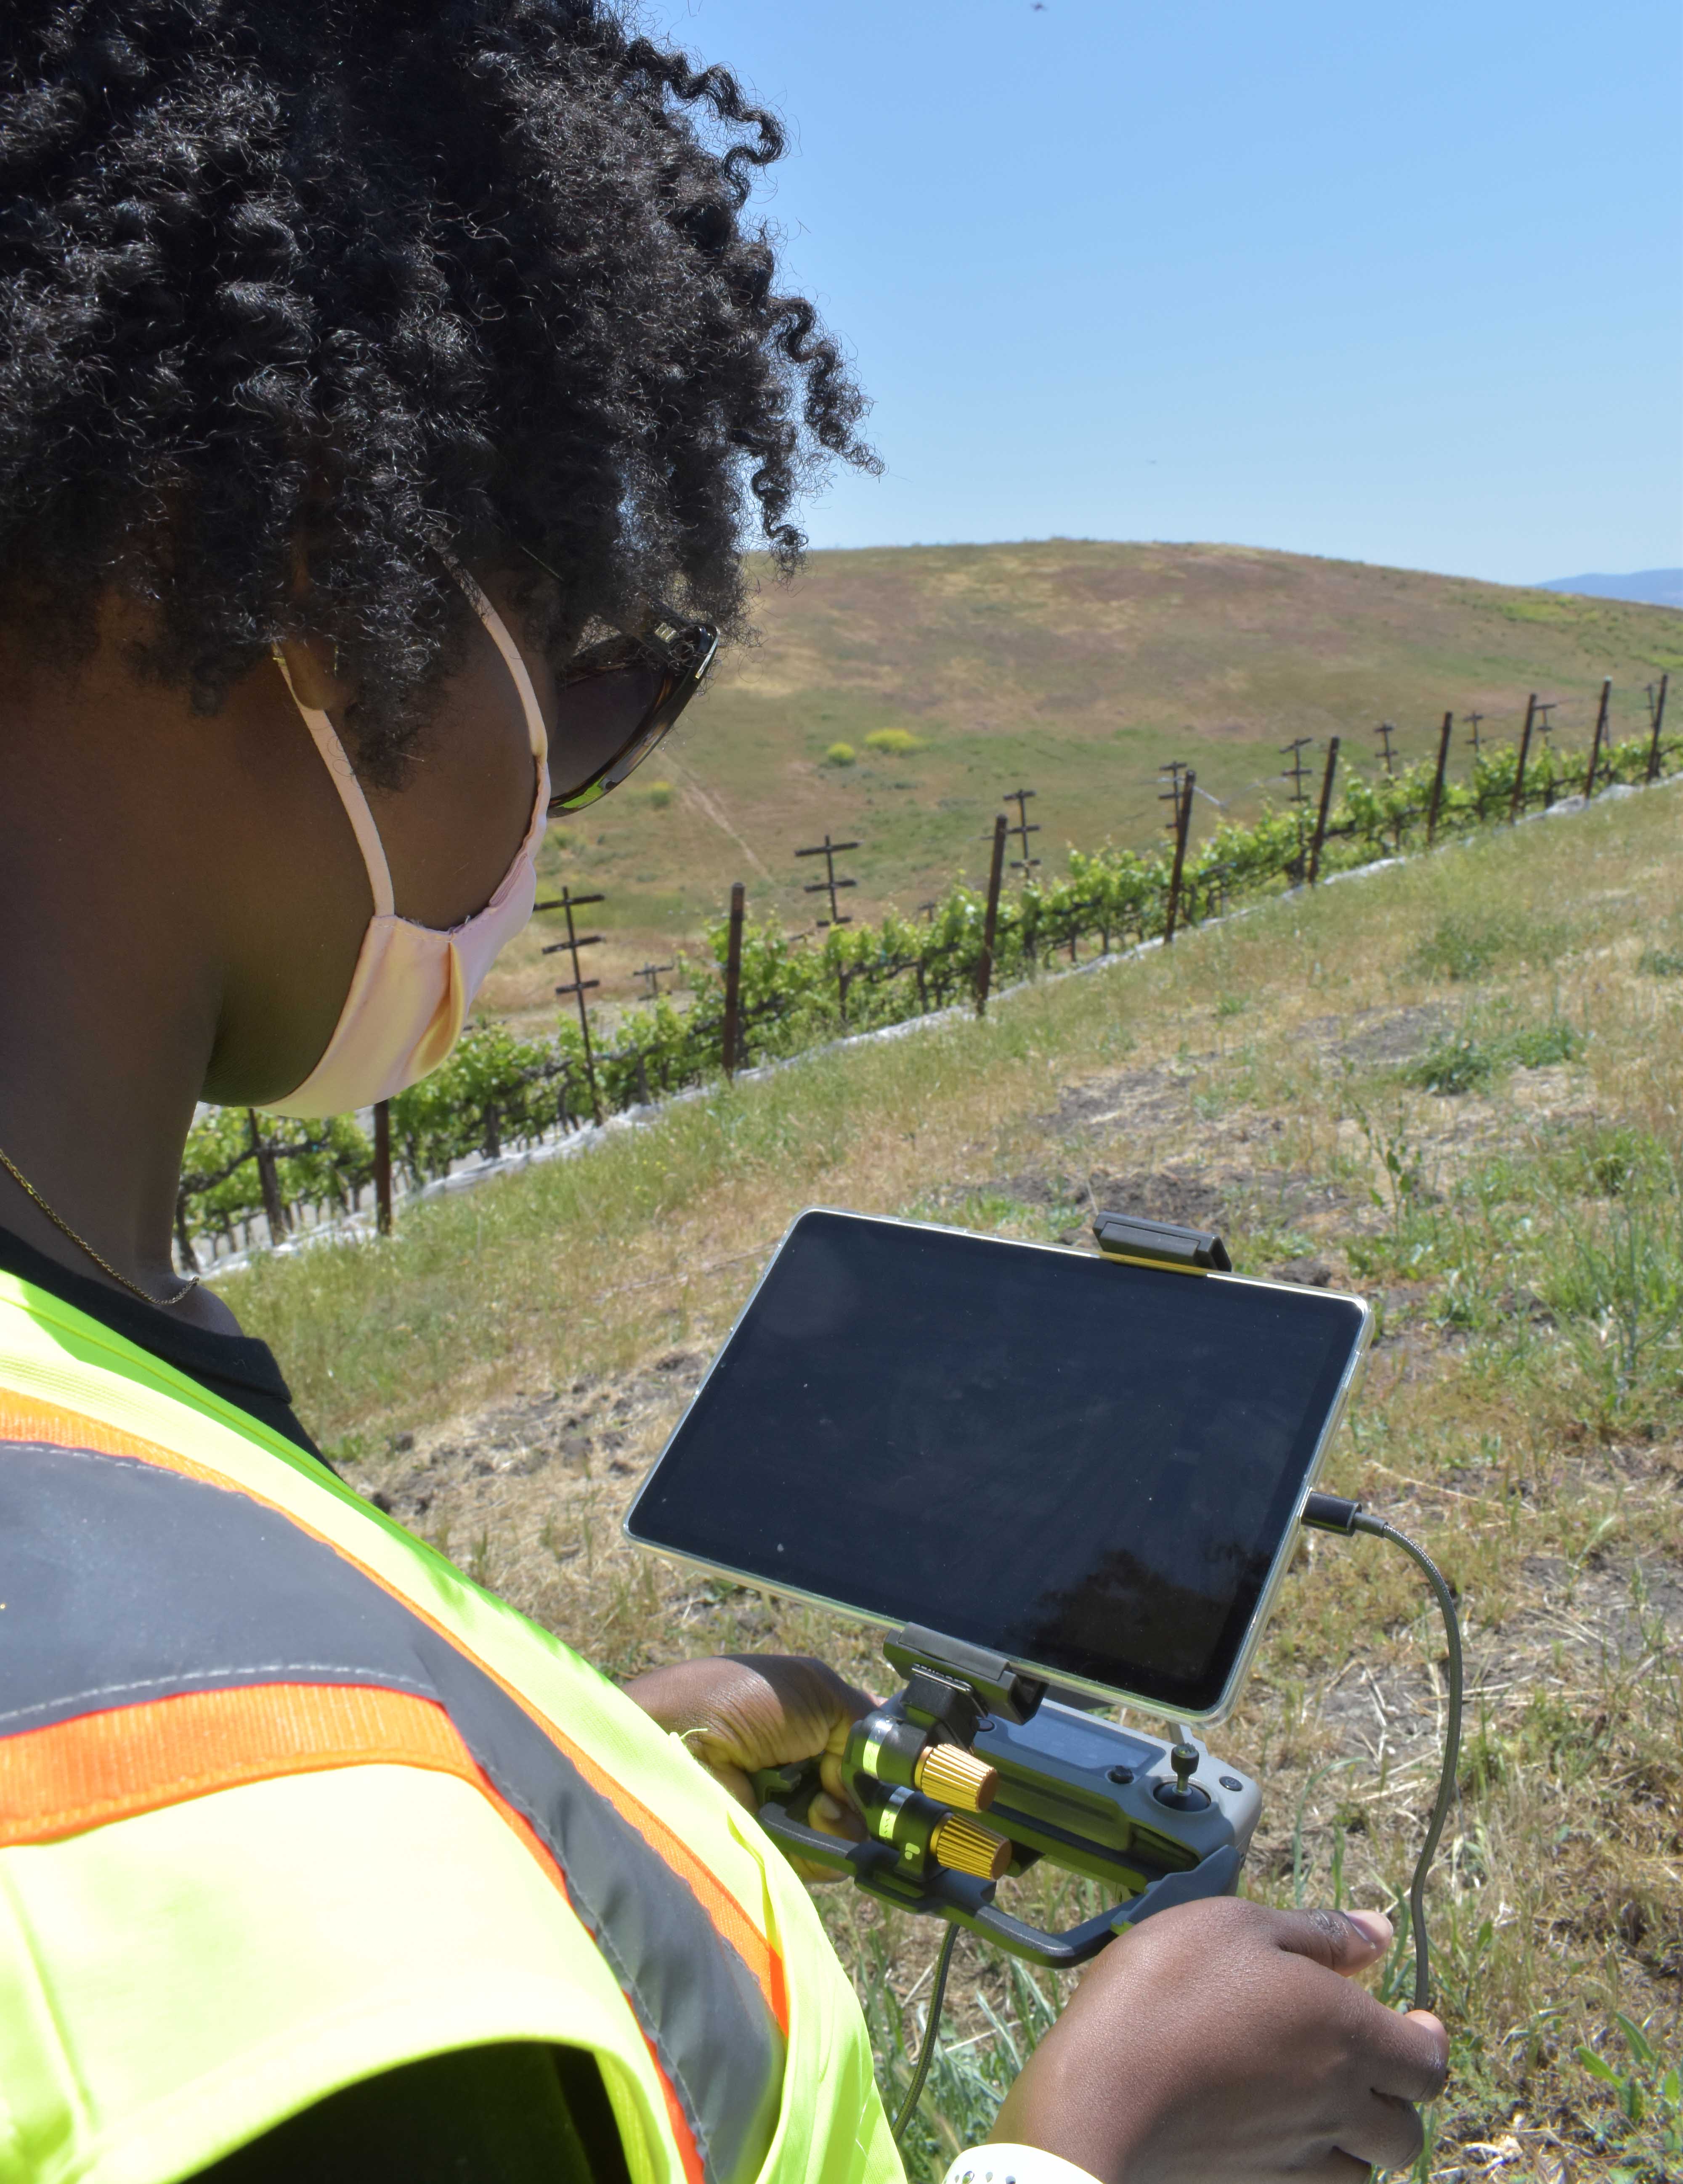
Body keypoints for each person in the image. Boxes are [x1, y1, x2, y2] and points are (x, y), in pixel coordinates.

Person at [0, 5, 1449, 2180]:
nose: (571, 795)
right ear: (297, 572)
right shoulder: (299, 1947)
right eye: (593, 674)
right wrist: (1086, 2146)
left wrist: (576, 1767)